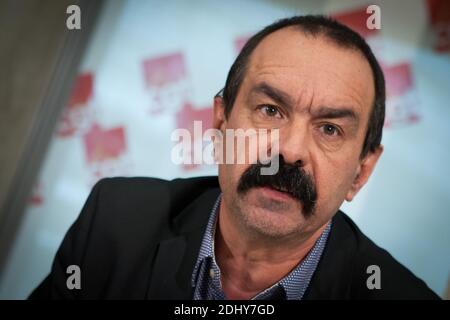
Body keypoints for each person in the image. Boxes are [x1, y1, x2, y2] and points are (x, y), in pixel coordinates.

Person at [29, 15, 439, 300]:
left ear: (361, 172)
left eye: (329, 129)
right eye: (270, 111)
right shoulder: (116, 222)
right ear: (221, 123)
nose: (290, 151)